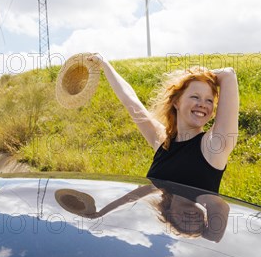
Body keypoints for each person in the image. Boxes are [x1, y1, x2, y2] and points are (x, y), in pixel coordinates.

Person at [86, 54, 239, 193]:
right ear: (176, 102)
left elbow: (228, 75)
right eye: (195, 97)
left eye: (209, 100)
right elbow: (130, 101)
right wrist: (104, 63)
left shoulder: (214, 146)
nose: (202, 104)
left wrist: (200, 75)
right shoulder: (164, 141)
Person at [55, 180, 230, 243]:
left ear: (170, 216)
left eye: (186, 224)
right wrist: (210, 236)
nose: (192, 220)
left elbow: (128, 199)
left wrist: (101, 213)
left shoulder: (160, 187)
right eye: (199, 222)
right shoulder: (203, 196)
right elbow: (221, 209)